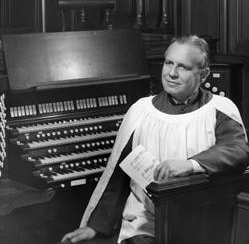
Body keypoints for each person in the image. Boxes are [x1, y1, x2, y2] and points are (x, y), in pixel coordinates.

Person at [60, 35, 249, 244]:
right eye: (169, 63)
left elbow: (237, 149)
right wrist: (96, 226)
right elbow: (117, 174)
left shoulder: (219, 108)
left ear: (203, 75)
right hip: (145, 222)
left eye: (183, 67)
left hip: (201, 219)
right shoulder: (141, 110)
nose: (172, 74)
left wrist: (191, 164)